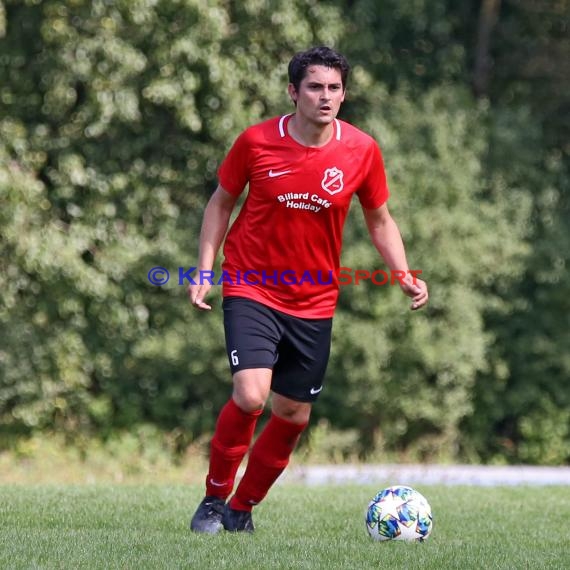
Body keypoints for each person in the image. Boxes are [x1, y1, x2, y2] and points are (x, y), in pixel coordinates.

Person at [188, 46, 428, 534]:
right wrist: (205, 269)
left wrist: (403, 272)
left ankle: (242, 510)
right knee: (252, 395)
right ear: (293, 92)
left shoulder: (361, 150)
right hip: (252, 285)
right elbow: (220, 204)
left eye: (334, 88)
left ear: (344, 94)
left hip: (315, 301)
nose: (325, 97)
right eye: (315, 87)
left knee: (293, 413)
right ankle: (213, 500)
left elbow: (379, 219)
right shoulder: (256, 142)